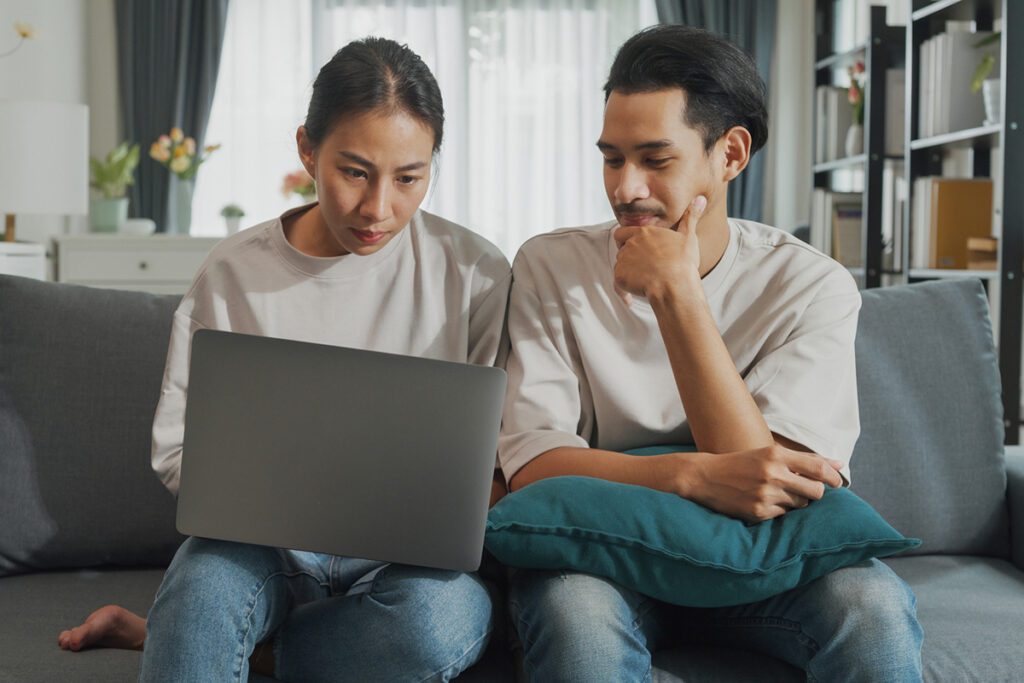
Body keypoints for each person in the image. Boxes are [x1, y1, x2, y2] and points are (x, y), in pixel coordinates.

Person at [58, 37, 511, 682]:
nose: (379, 208)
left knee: (438, 624)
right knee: (199, 599)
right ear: (307, 148)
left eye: (409, 178)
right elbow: (175, 450)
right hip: (262, 546)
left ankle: (238, 650)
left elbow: (497, 457)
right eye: (354, 171)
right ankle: (189, 633)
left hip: (407, 562)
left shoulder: (476, 273)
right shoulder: (235, 272)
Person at [497, 25, 924, 682]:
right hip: (605, 559)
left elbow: (765, 489)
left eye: (655, 159)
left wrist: (679, 296)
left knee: (874, 610)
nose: (626, 188)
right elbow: (533, 467)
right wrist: (687, 476)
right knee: (575, 618)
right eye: (612, 158)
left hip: (771, 570)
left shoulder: (810, 286)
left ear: (730, 153)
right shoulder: (550, 266)